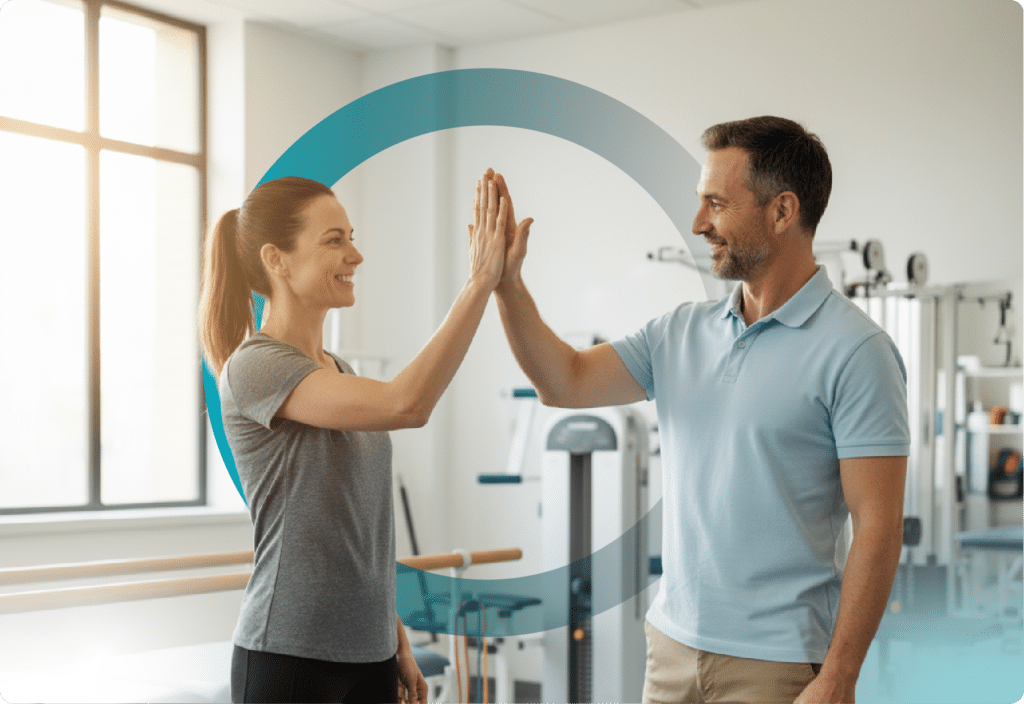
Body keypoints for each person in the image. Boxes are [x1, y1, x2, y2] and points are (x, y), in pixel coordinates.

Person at [491, 116, 909, 703]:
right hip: (670, 649)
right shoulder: (678, 332)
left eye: (716, 203)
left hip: (776, 663)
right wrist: (507, 285)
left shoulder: (858, 351)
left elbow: (879, 525)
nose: (698, 223)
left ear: (782, 211)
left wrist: (840, 676)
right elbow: (564, 381)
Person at [198, 171, 523, 703]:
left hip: (370, 653)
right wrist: (479, 282)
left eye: (351, 238)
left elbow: (358, 532)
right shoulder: (256, 365)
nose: (356, 255)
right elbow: (407, 404)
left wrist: (397, 642)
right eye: (334, 241)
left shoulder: (339, 371)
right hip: (290, 653)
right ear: (276, 260)